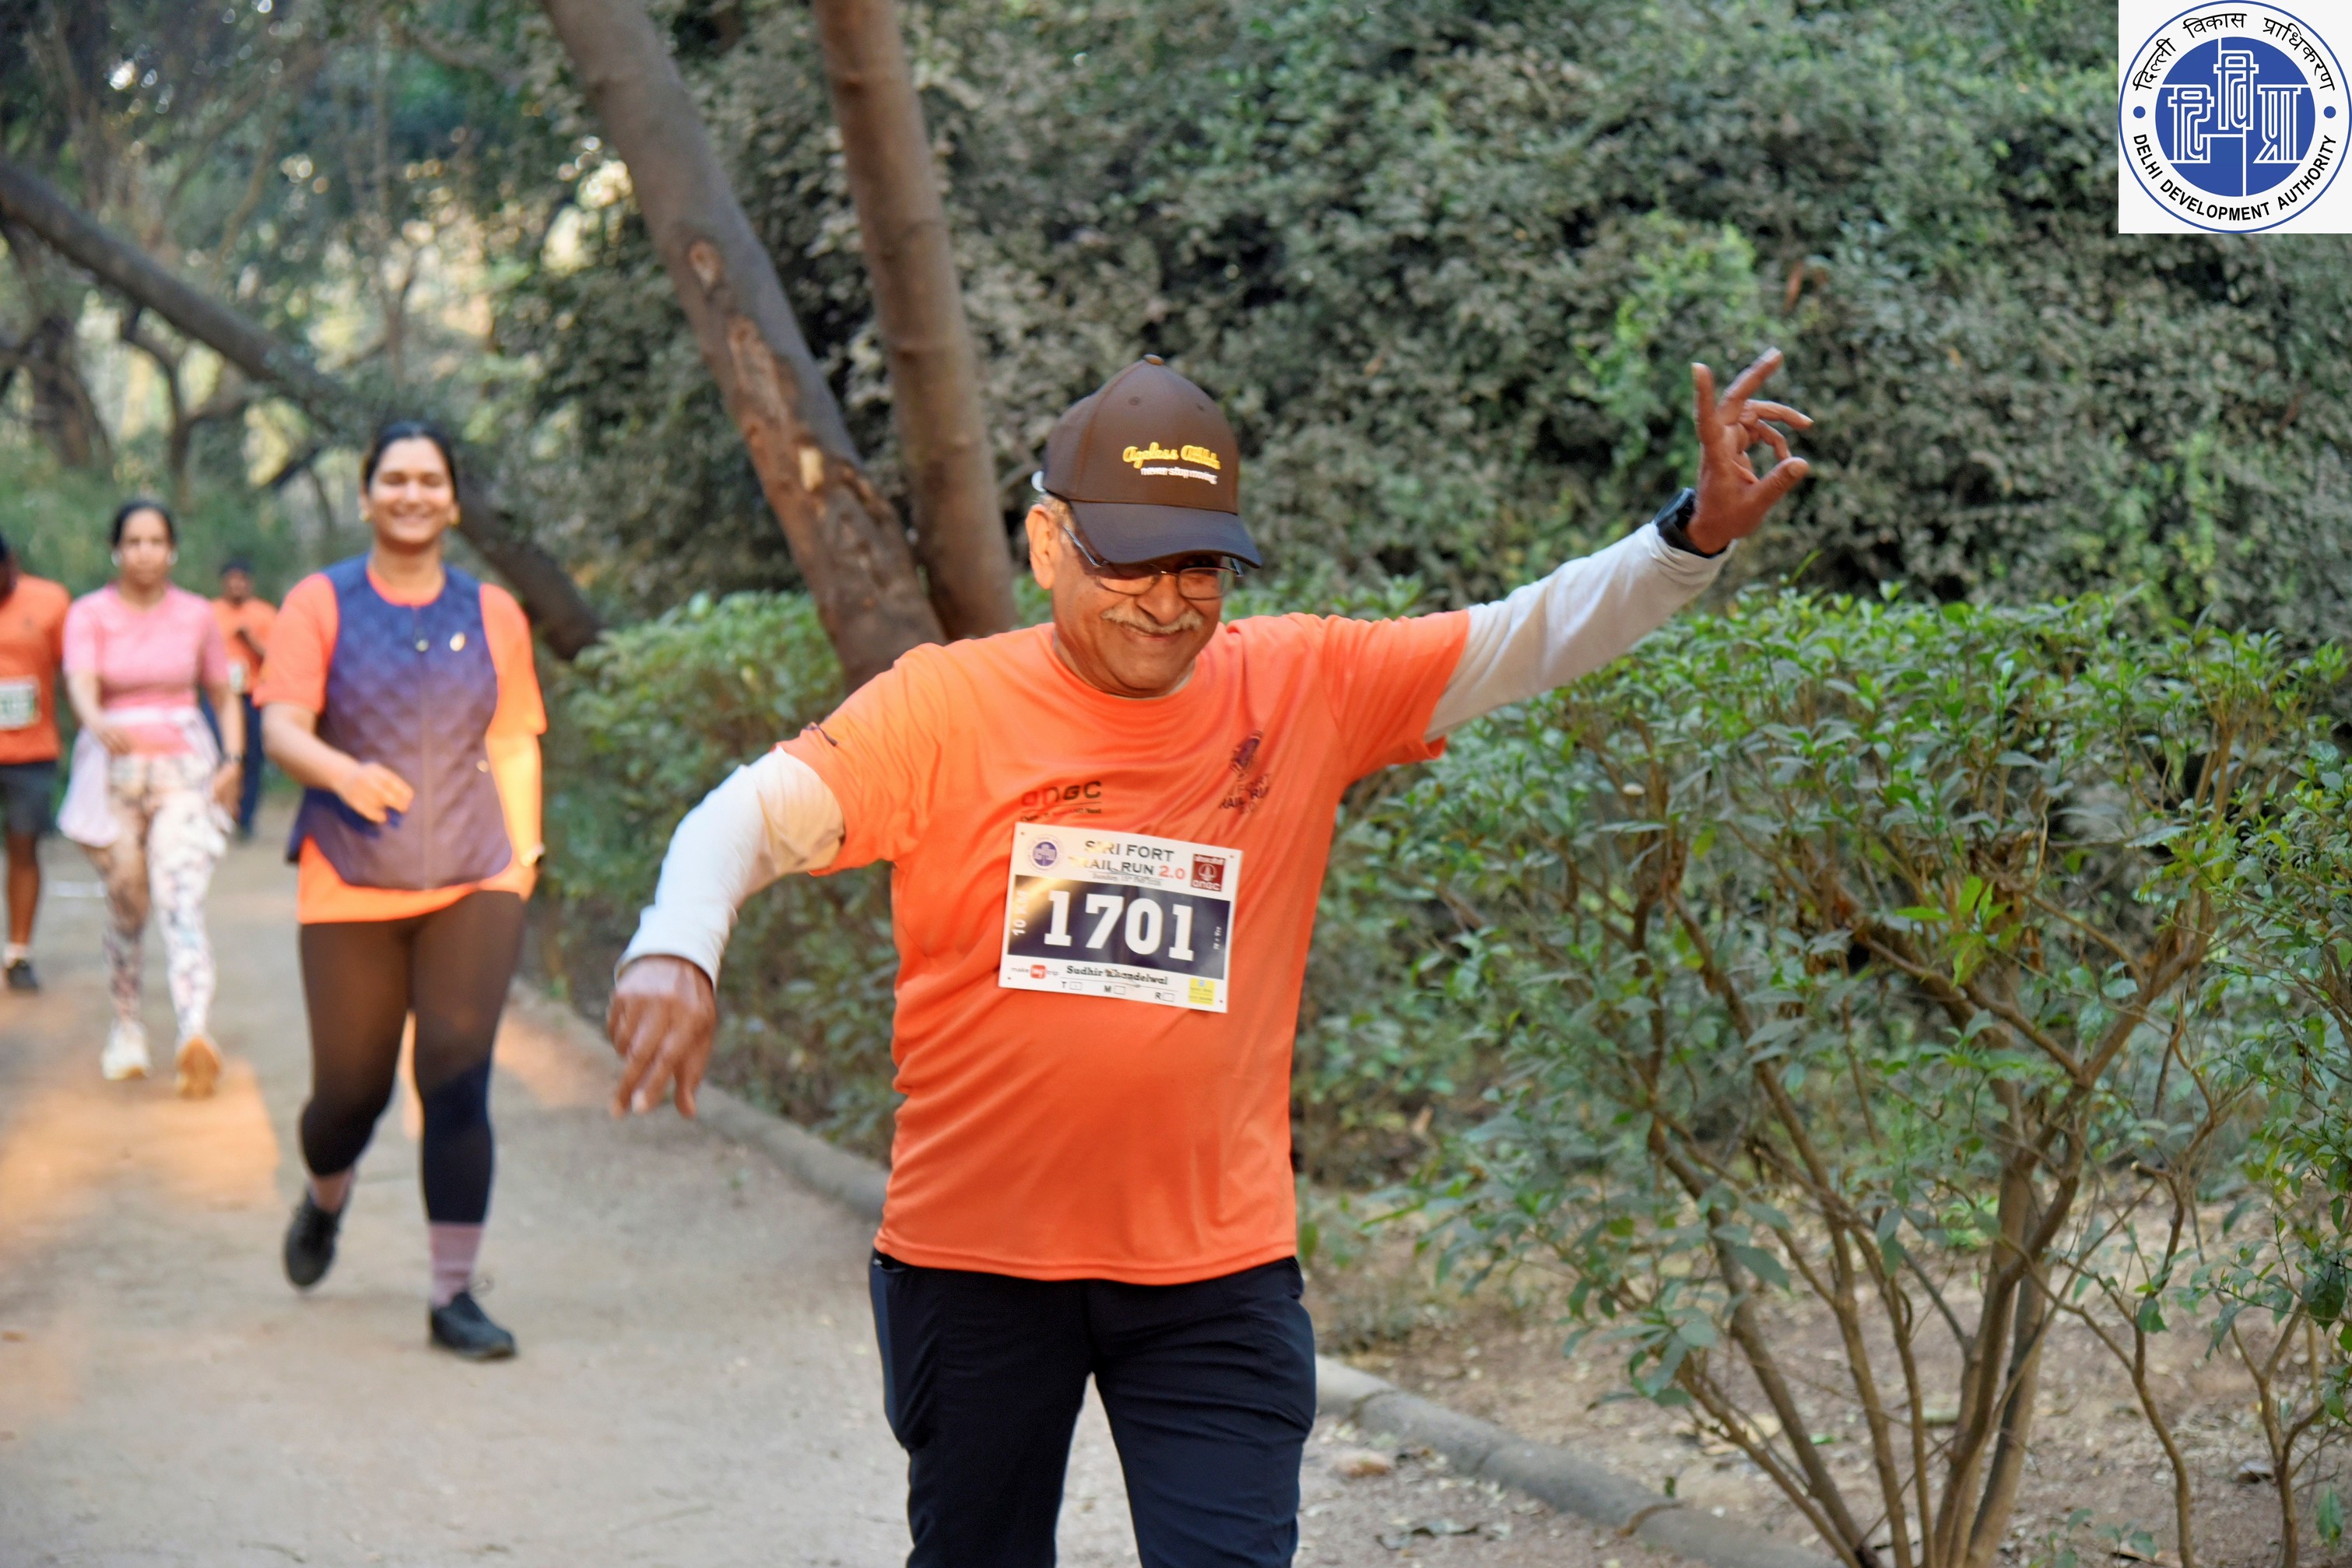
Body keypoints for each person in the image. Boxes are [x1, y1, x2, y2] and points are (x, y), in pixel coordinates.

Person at [608, 349, 1813, 1563]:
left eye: (1198, 566)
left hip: (1212, 1271)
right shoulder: (943, 706)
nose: (1167, 602)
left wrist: (1693, 533)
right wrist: (676, 948)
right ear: (1046, 544)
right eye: (1129, 561)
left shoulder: (1301, 685)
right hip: (974, 1262)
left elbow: (1525, 636)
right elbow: (748, 815)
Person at [259, 420, 546, 1362]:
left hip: (475, 873)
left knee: (456, 1076)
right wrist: (342, 772)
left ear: (452, 500)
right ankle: (325, 1194)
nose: (412, 493)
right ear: (366, 495)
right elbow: (282, 727)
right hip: (350, 878)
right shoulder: (319, 601)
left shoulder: (494, 611)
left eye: (430, 479)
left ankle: (452, 1295)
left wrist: (523, 858)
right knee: (350, 1093)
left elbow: (513, 738)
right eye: (394, 478)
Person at [59, 500, 242, 1095]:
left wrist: (234, 759)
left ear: (172, 550)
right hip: (112, 775)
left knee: (180, 895)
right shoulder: (89, 613)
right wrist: (95, 719)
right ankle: (127, 1026)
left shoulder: (197, 615)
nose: (145, 552)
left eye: (156, 540)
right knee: (128, 903)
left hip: (183, 771)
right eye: (134, 541)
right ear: (116, 550)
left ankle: (195, 1030)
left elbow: (223, 694)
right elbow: (81, 681)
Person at [0, 532, 71, 992]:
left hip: (31, 752)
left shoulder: (51, 601)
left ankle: (19, 953)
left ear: (12, 564)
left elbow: (73, 671)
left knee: (24, 847)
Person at [212, 558, 276, 840]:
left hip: (253, 695)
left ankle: (246, 818)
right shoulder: (210, 613)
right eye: (232, 579)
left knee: (252, 757)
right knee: (217, 753)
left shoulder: (264, 614)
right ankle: (219, 813)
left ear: (250, 583)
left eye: (242, 580)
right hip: (219, 695)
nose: (237, 585)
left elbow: (278, 658)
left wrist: (251, 642)